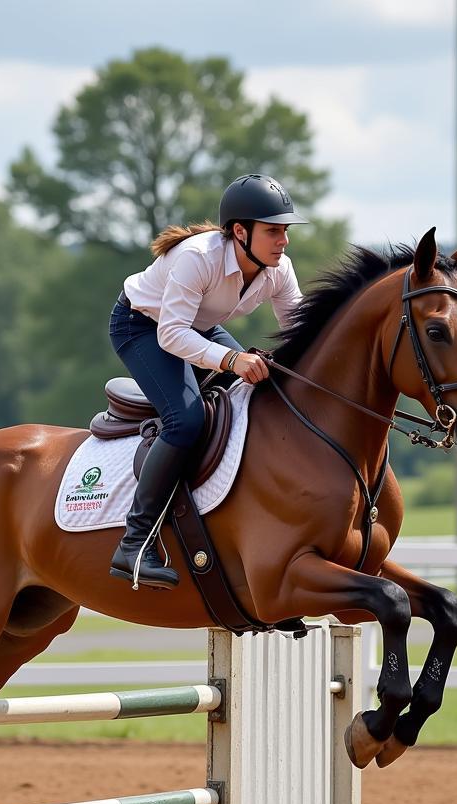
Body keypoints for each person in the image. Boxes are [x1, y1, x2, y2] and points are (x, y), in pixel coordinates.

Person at [108, 173, 308, 589]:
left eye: (285, 231)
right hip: (142, 327)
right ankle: (134, 544)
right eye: (273, 231)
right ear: (240, 231)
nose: (283, 241)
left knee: (257, 394)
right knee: (187, 421)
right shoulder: (197, 257)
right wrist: (234, 359)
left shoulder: (279, 270)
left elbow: (301, 336)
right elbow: (171, 334)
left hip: (198, 326)